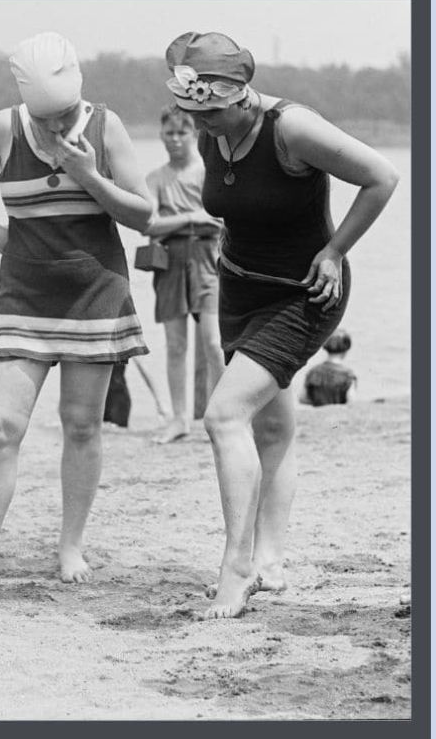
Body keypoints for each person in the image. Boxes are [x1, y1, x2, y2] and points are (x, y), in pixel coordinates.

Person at [159, 32, 398, 618]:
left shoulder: (291, 128)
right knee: (271, 428)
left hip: (304, 294)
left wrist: (336, 250)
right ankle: (269, 558)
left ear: (242, 97)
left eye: (211, 112)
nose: (203, 125)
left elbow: (381, 177)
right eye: (194, 114)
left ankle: (236, 565)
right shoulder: (215, 132)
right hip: (239, 289)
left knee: (222, 414)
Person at [0, 32, 153, 596]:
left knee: (81, 426)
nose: (55, 128)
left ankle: (70, 545)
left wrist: (90, 176)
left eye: (65, 115)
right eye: (45, 117)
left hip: (95, 296)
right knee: (1, 428)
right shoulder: (5, 127)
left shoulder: (107, 126)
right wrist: (1, 238)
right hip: (23, 298)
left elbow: (145, 216)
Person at [143, 104, 227, 443]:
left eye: (182, 132)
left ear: (194, 134)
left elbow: (225, 219)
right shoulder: (155, 179)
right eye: (169, 133)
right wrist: (191, 219)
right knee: (176, 344)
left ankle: (222, 414)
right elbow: (148, 225)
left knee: (214, 342)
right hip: (170, 260)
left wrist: (201, 222)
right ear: (162, 135)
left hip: (210, 258)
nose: (175, 139)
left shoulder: (209, 173)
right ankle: (179, 418)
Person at [302, 330, 358, 406]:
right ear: (346, 350)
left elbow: (303, 398)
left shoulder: (313, 372)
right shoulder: (348, 375)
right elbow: (351, 402)